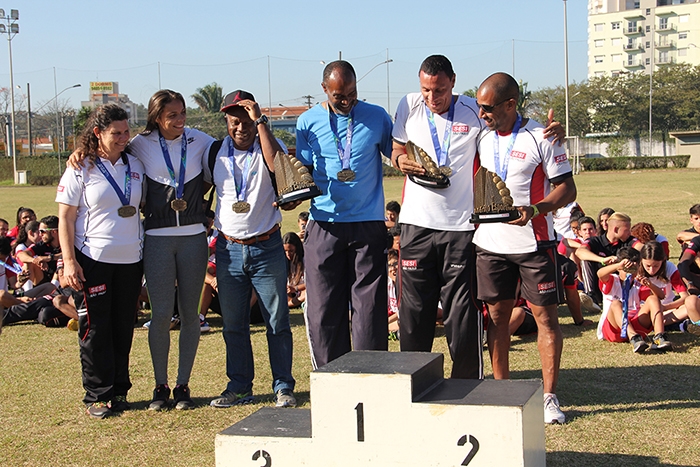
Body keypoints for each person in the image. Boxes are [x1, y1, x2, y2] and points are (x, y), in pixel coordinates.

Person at [472, 72, 577, 424]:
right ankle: (502, 392)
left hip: (534, 242)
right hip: (489, 244)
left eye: (487, 107)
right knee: (497, 318)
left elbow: (567, 190)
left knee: (546, 319)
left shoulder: (543, 137)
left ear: (510, 104)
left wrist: (535, 210)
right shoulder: (482, 137)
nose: (481, 113)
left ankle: (549, 397)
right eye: (479, 106)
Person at [390, 55, 485, 379]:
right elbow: (396, 149)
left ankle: (466, 384)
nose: (433, 98)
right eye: (426, 90)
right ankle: (414, 384)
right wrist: (400, 162)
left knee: (462, 313)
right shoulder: (409, 105)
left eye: (440, 90)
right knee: (414, 312)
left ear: (454, 82)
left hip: (460, 228)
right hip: (416, 225)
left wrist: (545, 130)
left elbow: (506, 131)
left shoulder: (474, 110)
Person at [296, 60, 393, 369]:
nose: (348, 100)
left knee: (369, 310)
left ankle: (370, 377)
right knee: (324, 310)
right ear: (325, 90)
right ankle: (330, 378)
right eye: (340, 96)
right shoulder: (307, 122)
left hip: (367, 224)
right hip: (325, 223)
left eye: (352, 93)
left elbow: (398, 152)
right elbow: (303, 171)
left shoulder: (377, 116)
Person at [207, 90, 296, 408]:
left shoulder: (270, 144)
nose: (240, 127)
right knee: (233, 324)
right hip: (228, 250)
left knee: (277, 322)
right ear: (227, 122)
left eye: (246, 121)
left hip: (266, 246)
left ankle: (283, 386)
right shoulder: (215, 151)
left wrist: (261, 122)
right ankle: (240, 386)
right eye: (234, 121)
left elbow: (276, 167)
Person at [56, 104, 145, 419]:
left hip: (131, 260)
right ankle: (97, 394)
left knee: (124, 326)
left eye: (126, 132)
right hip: (92, 259)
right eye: (115, 133)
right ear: (97, 133)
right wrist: (69, 261)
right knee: (95, 327)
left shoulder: (135, 163)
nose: (123, 138)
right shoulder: (80, 167)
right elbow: (65, 219)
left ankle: (119, 389)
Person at [596, 247, 672, 353]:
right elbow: (600, 273)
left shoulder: (638, 282)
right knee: (616, 303)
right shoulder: (613, 280)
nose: (630, 274)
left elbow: (661, 296)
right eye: (627, 270)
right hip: (614, 328)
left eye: (633, 270)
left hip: (635, 324)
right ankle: (633, 337)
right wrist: (618, 265)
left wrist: (650, 285)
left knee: (653, 299)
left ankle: (659, 337)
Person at [576, 212, 641, 305]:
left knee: (638, 257)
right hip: (600, 284)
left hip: (621, 287)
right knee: (585, 259)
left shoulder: (629, 240)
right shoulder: (596, 241)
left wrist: (621, 261)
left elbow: (641, 248)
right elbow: (579, 252)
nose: (629, 233)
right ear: (616, 229)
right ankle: (591, 295)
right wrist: (602, 260)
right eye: (627, 230)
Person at [16, 216, 62, 287]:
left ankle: (52, 289)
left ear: (53, 231)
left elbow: (69, 254)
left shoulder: (67, 243)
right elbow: (21, 255)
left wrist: (49, 258)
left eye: (42, 231)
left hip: (63, 279)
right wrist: (36, 260)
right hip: (44, 279)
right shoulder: (42, 244)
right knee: (28, 263)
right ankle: (29, 292)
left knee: (64, 262)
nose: (40, 235)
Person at [283, 232, 306, 309]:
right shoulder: (285, 261)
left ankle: (290, 304)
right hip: (290, 293)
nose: (288, 254)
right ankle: (290, 303)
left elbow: (311, 283)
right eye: (285, 251)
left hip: (301, 291)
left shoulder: (305, 260)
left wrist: (295, 288)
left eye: (291, 251)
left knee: (307, 292)